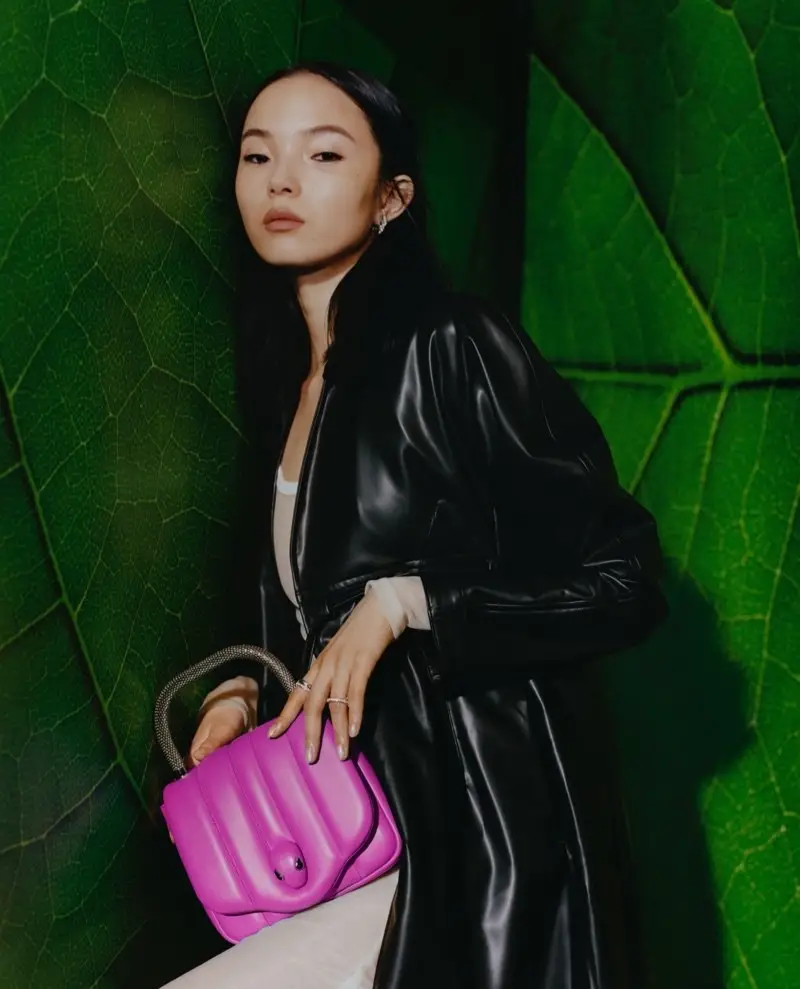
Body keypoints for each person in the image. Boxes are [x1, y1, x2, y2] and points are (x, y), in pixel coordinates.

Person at [183, 61, 668, 989]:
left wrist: (409, 603)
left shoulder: (454, 345)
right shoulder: (288, 388)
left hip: (480, 834)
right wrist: (241, 689)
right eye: (258, 155)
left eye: (325, 154)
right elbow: (307, 607)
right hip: (345, 827)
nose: (282, 181)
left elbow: (625, 580)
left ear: (392, 198)